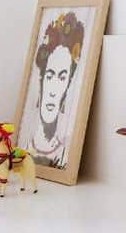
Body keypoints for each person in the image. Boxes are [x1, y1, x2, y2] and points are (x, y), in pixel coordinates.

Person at [30, 11, 85, 168]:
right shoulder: (22, 148)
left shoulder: (65, 157)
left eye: (62, 78)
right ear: (41, 80)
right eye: (49, 75)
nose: (53, 91)